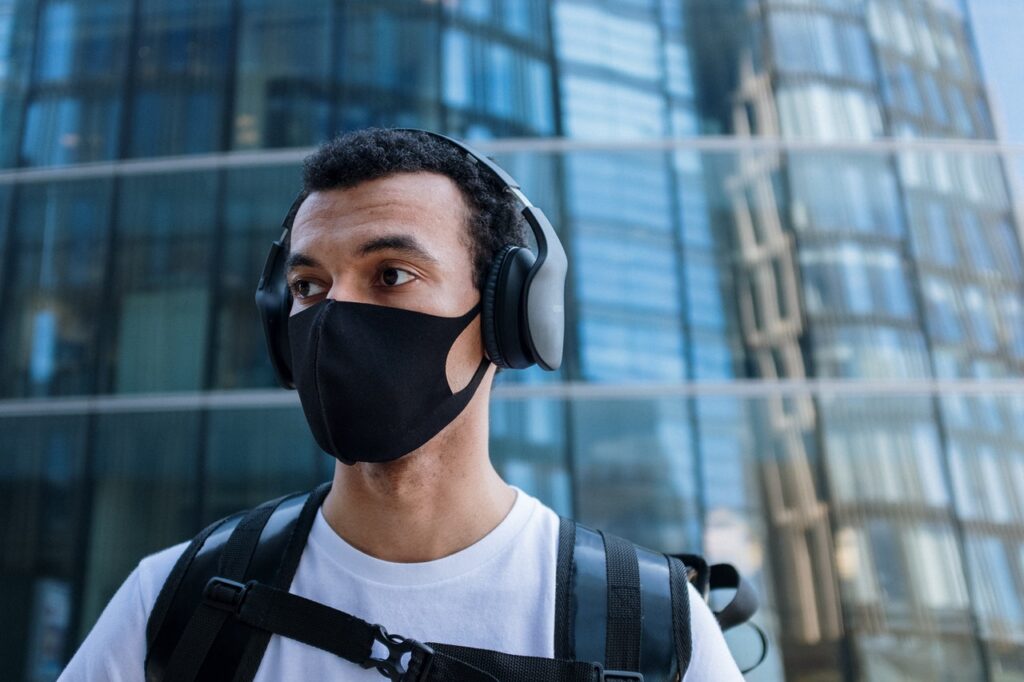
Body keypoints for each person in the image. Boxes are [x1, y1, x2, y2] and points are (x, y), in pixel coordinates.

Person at [59, 128, 745, 681]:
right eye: (308, 285)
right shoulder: (176, 600)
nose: (333, 317)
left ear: (511, 316)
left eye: (391, 275)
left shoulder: (646, 622)